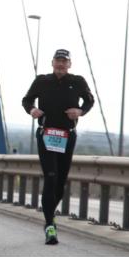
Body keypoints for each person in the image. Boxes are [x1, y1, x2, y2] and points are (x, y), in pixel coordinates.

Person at [21, 49, 94, 244]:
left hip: (67, 136)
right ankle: (50, 224)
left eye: (64, 61)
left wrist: (80, 111)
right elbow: (26, 99)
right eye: (58, 61)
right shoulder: (42, 80)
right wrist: (32, 109)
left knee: (60, 182)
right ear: (52, 62)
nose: (60, 64)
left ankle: (49, 214)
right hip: (46, 134)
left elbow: (89, 100)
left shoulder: (78, 81)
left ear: (70, 64)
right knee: (51, 177)